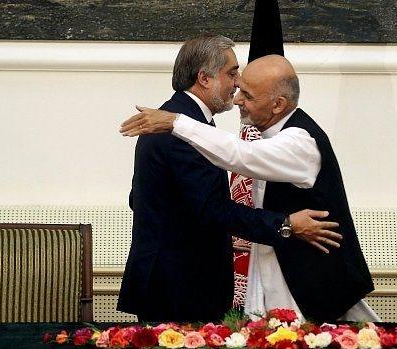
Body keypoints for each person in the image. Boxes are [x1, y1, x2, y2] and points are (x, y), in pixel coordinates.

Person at [120, 54, 379, 322]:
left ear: (277, 104)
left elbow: (240, 154)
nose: (237, 99)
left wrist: (176, 122)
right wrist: (286, 224)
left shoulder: (298, 141)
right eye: (235, 80)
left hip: (311, 284)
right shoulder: (271, 137)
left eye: (247, 94)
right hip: (192, 281)